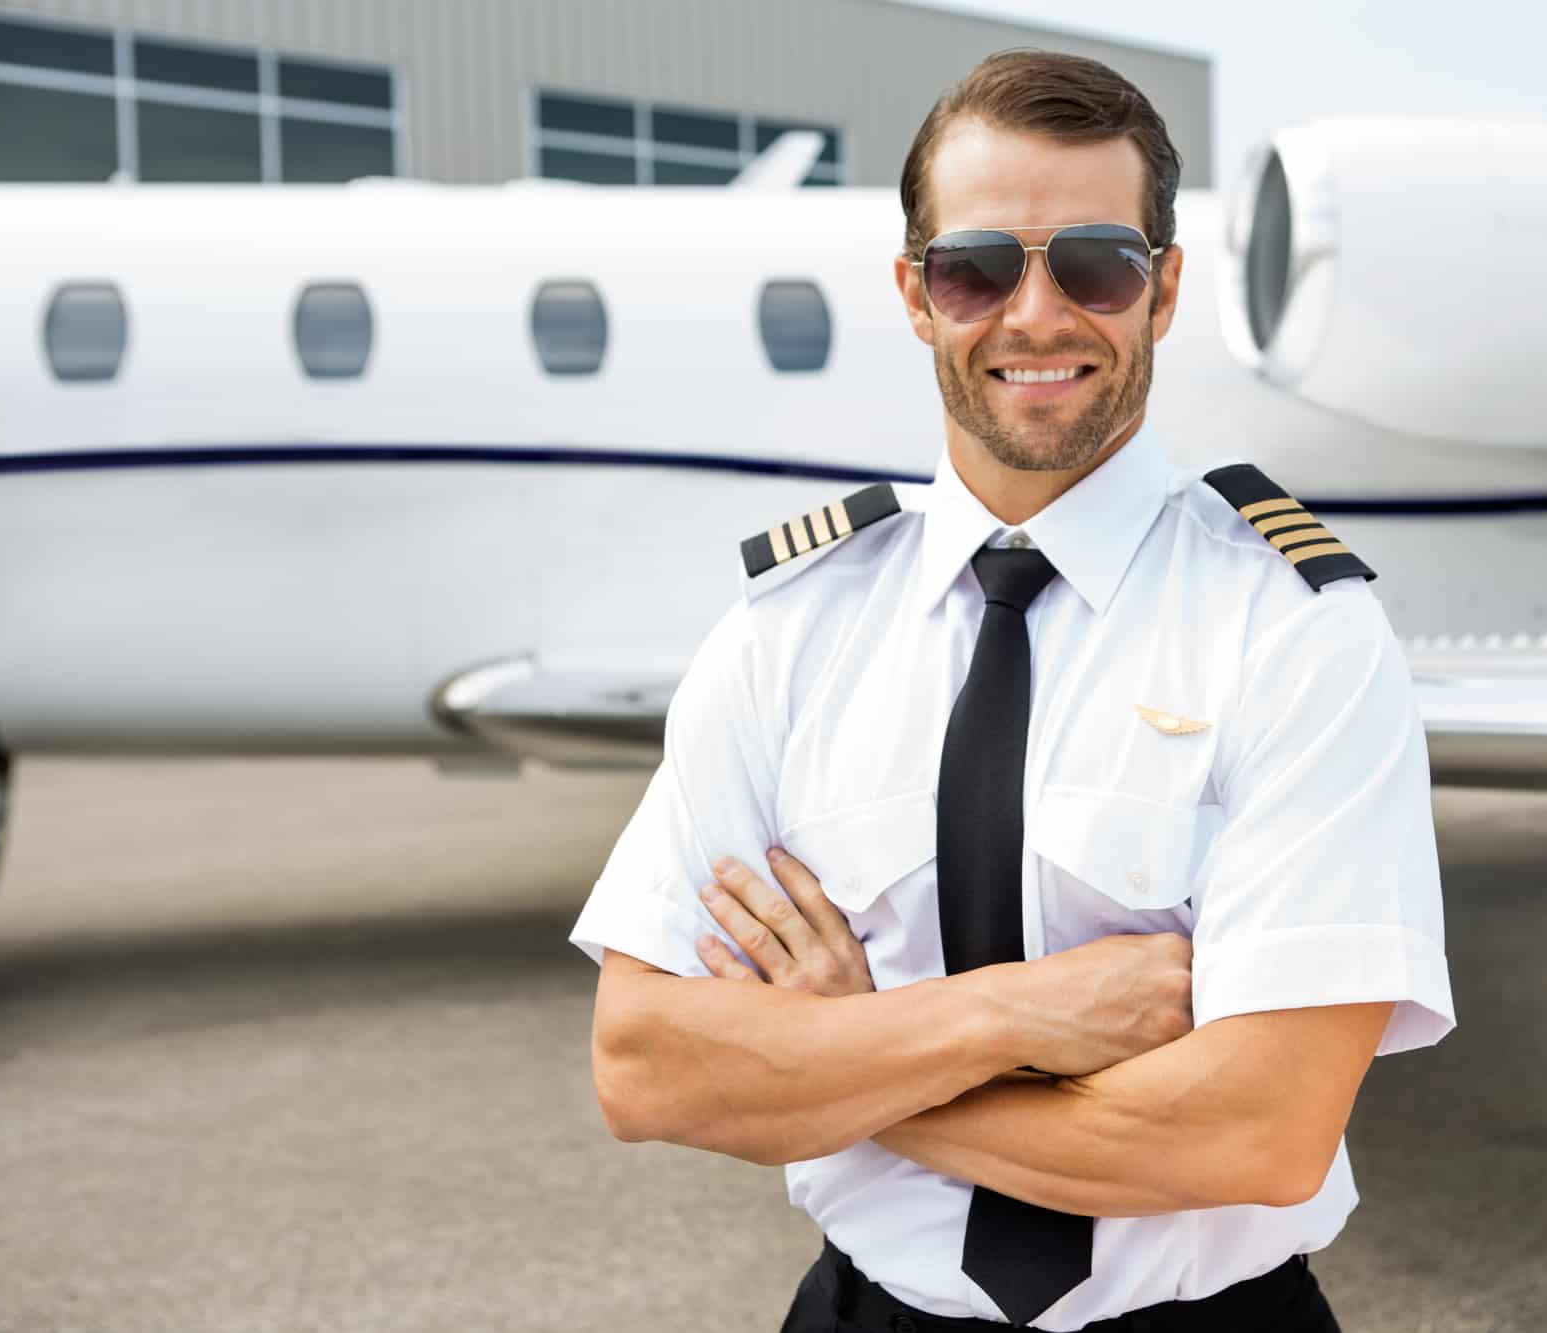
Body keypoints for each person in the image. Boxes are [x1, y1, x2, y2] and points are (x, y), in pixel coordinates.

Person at [569, 48, 1454, 1333]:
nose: (1035, 315)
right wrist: (1016, 1012)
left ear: (1161, 293)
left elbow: (1259, 1131)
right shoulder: (786, 634)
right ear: (917, 297)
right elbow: (649, 1068)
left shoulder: (1295, 628)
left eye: (1094, 262)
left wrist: (852, 1053)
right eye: (977, 267)